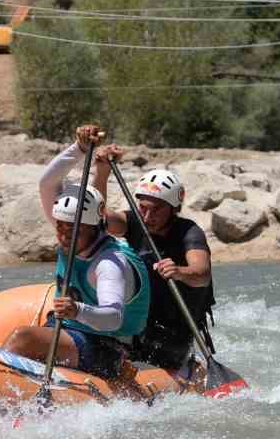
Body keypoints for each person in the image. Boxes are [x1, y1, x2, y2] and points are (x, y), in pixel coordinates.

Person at [0, 125, 149, 380]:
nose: (65, 235)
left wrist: (76, 310)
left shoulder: (109, 263)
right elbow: (47, 183)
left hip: (107, 347)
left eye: (74, 230)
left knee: (22, 338)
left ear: (93, 227)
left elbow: (113, 317)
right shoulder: (69, 228)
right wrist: (79, 148)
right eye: (61, 227)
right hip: (70, 331)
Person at [90, 143, 216, 371]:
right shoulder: (135, 222)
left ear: (173, 208)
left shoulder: (189, 232)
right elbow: (97, 219)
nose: (147, 216)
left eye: (156, 209)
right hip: (139, 321)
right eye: (143, 207)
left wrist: (179, 271)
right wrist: (101, 172)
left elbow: (202, 274)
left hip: (176, 329)